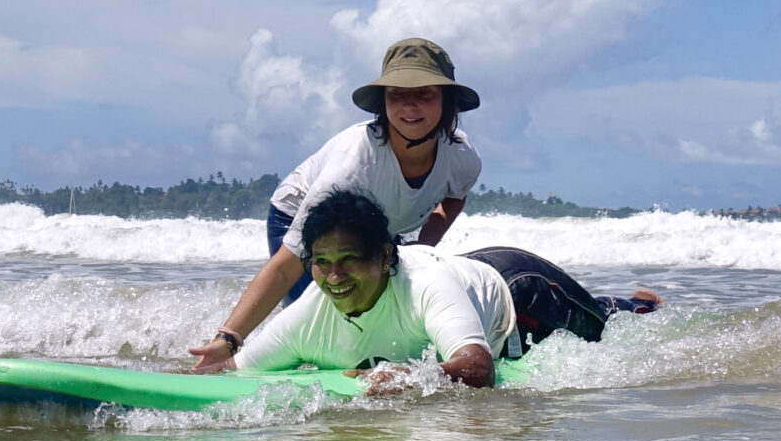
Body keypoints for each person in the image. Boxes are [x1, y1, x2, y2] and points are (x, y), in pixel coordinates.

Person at [189, 38, 484, 369]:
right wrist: (229, 338)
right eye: (396, 95)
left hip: (378, 231)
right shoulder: (353, 167)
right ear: (382, 102)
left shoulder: (461, 158)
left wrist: (420, 250)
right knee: (324, 317)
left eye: (424, 94)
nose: (409, 106)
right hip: (305, 216)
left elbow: (454, 198)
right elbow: (286, 266)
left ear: (448, 103)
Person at [221, 191, 659, 392]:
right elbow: (235, 372)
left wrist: (411, 376)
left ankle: (640, 304)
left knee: (606, 328)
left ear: (385, 257)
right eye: (322, 262)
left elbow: (478, 368)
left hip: (520, 292)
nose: (334, 276)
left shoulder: (423, 286)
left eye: (349, 259)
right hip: (463, 280)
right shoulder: (309, 316)